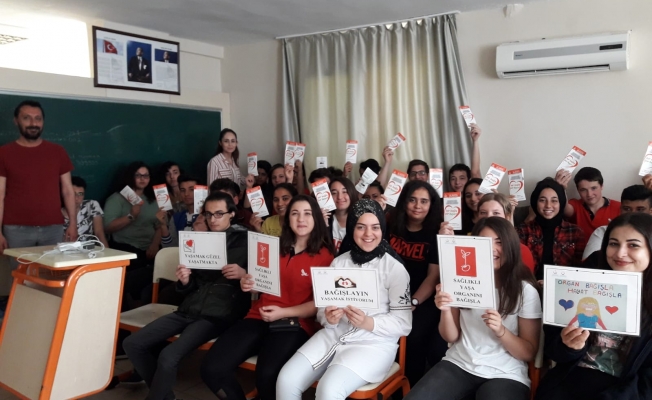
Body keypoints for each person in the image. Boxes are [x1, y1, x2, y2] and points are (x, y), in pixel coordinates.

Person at [200, 195, 335, 400]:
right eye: (295, 213)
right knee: (211, 369)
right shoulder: (272, 246)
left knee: (267, 376)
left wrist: (283, 312)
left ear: (316, 218)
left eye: (307, 213)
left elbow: (320, 305)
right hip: (258, 316)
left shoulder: (326, 256)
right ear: (287, 218)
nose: (301, 219)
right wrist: (247, 282)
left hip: (295, 323)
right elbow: (258, 282)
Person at [276, 199, 412, 399]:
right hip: (333, 335)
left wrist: (368, 322)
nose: (368, 234)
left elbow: (403, 324)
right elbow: (323, 309)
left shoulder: (394, 269)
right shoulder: (339, 263)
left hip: (373, 345)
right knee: (286, 380)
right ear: (351, 228)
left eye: (375, 227)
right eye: (360, 227)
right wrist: (328, 318)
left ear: (382, 229)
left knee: (329, 390)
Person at [123, 192, 249, 400]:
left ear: (232, 214)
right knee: (133, 343)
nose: (213, 219)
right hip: (190, 308)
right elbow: (192, 286)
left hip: (219, 313)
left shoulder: (246, 239)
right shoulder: (199, 240)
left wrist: (244, 273)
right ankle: (164, 396)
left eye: (219, 214)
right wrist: (185, 280)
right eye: (208, 214)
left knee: (168, 356)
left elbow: (263, 279)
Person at [406, 217, 542, 400]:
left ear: (510, 246)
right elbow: (450, 336)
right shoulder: (459, 280)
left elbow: (528, 352)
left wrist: (501, 331)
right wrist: (445, 310)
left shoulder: (524, 290)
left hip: (506, 373)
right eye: (484, 242)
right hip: (459, 363)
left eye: (499, 242)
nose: (491, 249)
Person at [536, 213, 652, 400]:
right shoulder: (587, 278)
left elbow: (647, 382)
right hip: (569, 381)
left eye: (633, 245)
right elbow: (553, 350)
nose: (620, 253)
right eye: (613, 243)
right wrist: (570, 347)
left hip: (625, 391)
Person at [387, 180, 447, 385]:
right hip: (389, 295)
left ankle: (410, 386)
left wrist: (413, 302)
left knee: (413, 335)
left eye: (424, 201)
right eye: (412, 200)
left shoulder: (436, 233)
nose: (417, 206)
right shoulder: (390, 226)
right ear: (404, 202)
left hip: (421, 299)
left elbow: (433, 277)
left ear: (431, 205)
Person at [0, 100, 78, 257]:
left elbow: (68, 191)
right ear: (16, 121)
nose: (33, 123)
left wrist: (73, 224)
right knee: (20, 271)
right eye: (26, 118)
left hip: (53, 228)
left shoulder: (57, 152)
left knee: (50, 270)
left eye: (38, 118)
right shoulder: (4, 153)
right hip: (16, 229)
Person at [104, 162, 161, 306]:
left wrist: (155, 245)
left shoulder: (153, 199)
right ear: (130, 177)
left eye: (146, 175)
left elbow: (160, 226)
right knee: (138, 272)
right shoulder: (117, 199)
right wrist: (131, 216)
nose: (143, 179)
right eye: (138, 175)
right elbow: (107, 227)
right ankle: (132, 304)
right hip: (126, 247)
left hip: (151, 247)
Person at [517, 178, 585, 280]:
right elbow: (516, 266)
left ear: (561, 203)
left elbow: (580, 270)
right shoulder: (523, 230)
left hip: (563, 286)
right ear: (535, 202)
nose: (548, 205)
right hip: (530, 284)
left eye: (554, 201)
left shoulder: (575, 232)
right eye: (542, 200)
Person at [582, 184, 652, 261]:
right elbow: (589, 265)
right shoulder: (603, 232)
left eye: (640, 209)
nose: (632, 214)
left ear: (650, 211)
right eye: (627, 209)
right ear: (620, 209)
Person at [556, 167, 621, 245]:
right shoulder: (575, 204)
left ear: (602, 186)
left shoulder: (619, 207)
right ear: (578, 190)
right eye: (583, 190)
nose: (589, 194)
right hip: (579, 252)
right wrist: (560, 188)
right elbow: (565, 209)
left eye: (593, 188)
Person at [62, 176, 109, 248]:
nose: (77, 198)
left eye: (80, 194)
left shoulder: (91, 205)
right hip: (65, 250)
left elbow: (99, 233)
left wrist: (107, 252)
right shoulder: (56, 212)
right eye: (73, 194)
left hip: (88, 250)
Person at [160, 174, 199, 247]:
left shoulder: (209, 217)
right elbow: (169, 247)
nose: (186, 194)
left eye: (192, 190)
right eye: (182, 190)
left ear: (201, 191)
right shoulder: (176, 217)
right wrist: (163, 225)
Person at [326, 177, 359, 253]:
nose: (340, 197)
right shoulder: (325, 220)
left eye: (344, 191)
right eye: (334, 193)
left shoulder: (360, 220)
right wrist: (324, 226)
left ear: (351, 193)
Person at [448, 123, 483, 192]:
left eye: (462, 178)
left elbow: (475, 173)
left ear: (469, 179)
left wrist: (475, 141)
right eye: (453, 179)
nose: (457, 182)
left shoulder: (474, 196)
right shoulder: (445, 198)